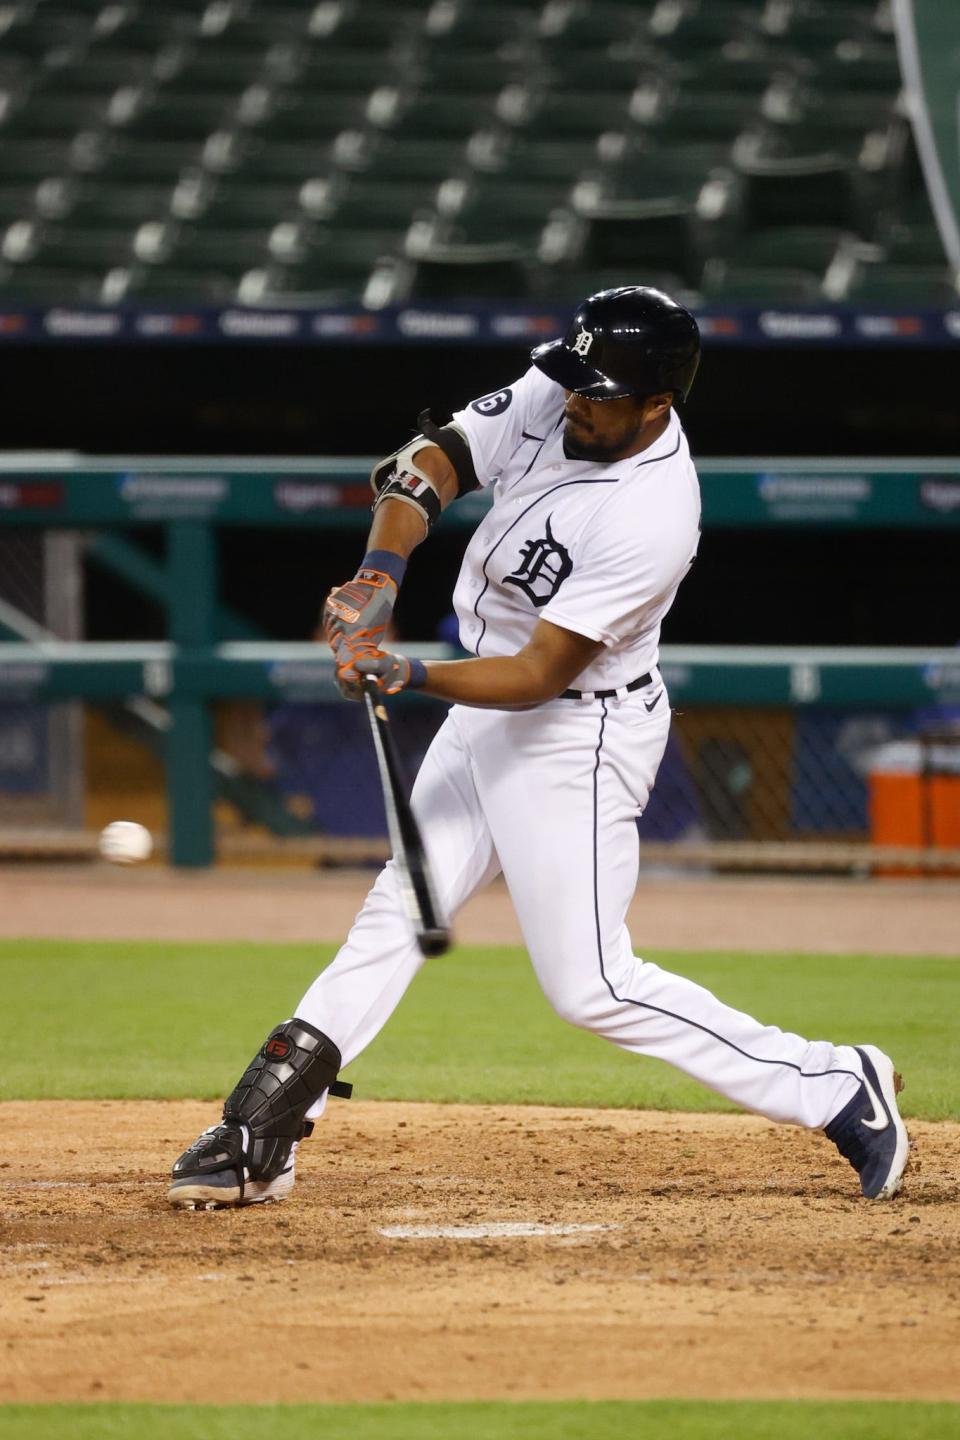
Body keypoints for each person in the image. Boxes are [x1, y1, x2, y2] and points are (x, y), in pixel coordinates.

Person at [168, 286, 909, 1210]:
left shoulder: (654, 515)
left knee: (592, 985)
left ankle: (837, 1084)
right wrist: (378, 574)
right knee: (402, 903)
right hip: (487, 707)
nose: (574, 402)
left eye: (600, 394)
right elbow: (433, 458)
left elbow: (541, 674)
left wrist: (409, 677)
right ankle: (264, 1130)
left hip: (576, 732)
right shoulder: (562, 389)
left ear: (657, 404)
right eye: (574, 381)